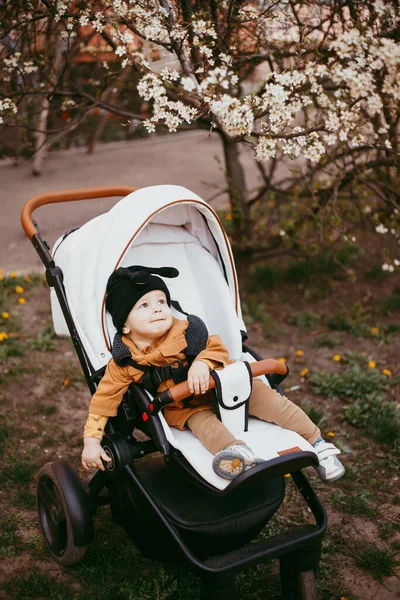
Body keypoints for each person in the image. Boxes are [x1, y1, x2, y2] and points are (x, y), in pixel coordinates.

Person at [81, 266, 345, 482]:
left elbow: (217, 348)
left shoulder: (187, 329)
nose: (159, 308)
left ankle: (317, 443)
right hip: (184, 405)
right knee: (203, 426)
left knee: (272, 401)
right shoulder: (125, 361)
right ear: (124, 325)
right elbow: (104, 400)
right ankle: (235, 453)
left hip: (226, 385)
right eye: (145, 305)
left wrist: (202, 364)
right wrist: (92, 440)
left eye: (161, 301)